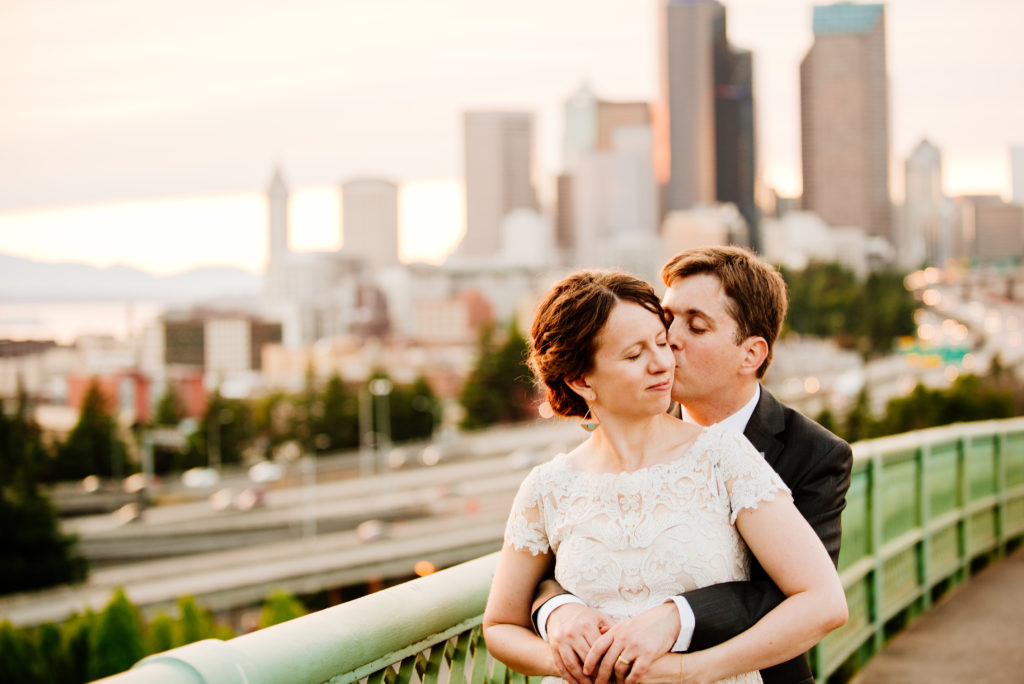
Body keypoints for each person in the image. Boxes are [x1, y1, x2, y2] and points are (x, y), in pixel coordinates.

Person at [482, 269, 848, 684]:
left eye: (660, 342)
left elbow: (823, 601)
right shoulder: (547, 486)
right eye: (634, 355)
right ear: (582, 380)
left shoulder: (722, 455)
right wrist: (564, 655)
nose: (663, 361)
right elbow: (500, 626)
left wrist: (685, 671)